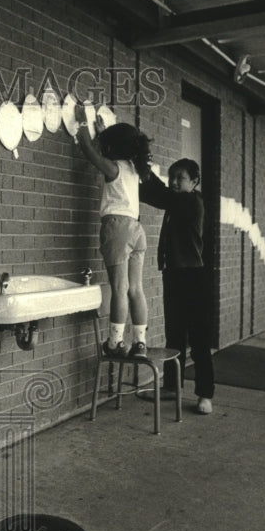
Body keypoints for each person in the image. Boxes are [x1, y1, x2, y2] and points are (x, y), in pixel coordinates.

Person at [139, 158, 215, 414]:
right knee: (174, 335)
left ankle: (205, 394)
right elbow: (158, 192)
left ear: (194, 182)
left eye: (179, 178)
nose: (173, 182)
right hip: (174, 274)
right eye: (172, 177)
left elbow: (157, 194)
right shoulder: (177, 199)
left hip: (193, 276)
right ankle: (172, 386)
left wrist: (139, 165)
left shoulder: (191, 201)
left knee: (199, 338)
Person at [75, 110, 151, 358]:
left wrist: (82, 121)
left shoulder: (113, 168)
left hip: (117, 229)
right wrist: (103, 131)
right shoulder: (133, 168)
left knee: (119, 288)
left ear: (113, 148)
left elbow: (88, 150)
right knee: (135, 290)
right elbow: (109, 148)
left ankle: (115, 343)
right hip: (137, 231)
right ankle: (140, 343)